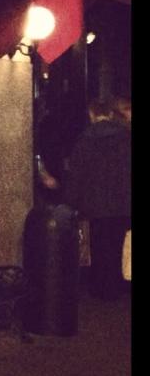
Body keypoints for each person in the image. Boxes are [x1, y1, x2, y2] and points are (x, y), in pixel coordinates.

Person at [65, 99, 131, 300]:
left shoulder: (84, 140)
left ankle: (100, 286)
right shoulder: (125, 137)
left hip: (94, 202)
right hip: (122, 201)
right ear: (111, 114)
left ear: (92, 115)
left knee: (98, 244)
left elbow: (77, 174)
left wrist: (72, 200)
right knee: (119, 243)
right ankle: (119, 284)